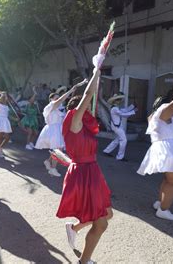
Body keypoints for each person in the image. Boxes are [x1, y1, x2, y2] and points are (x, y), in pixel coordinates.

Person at [57, 69, 113, 264]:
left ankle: (74, 229)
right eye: (85, 108)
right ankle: (84, 261)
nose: (89, 111)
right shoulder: (74, 123)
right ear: (77, 110)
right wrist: (98, 68)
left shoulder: (83, 127)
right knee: (101, 223)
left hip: (92, 171)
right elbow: (89, 95)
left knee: (107, 214)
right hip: (83, 174)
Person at [137, 54, 173, 221]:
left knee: (169, 179)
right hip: (169, 149)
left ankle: (161, 203)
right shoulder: (164, 110)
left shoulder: (157, 114)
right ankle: (164, 209)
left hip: (167, 148)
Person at [35, 85, 77, 177]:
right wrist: (70, 91)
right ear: (51, 99)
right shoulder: (49, 107)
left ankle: (48, 161)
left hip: (59, 129)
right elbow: (61, 100)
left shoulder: (60, 108)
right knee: (58, 150)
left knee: (57, 149)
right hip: (53, 130)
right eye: (56, 98)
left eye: (59, 97)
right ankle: (53, 169)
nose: (58, 99)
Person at [101, 92, 136, 161]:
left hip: (117, 126)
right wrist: (133, 111)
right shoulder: (114, 109)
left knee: (117, 140)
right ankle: (120, 157)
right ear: (116, 100)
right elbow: (123, 114)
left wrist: (132, 107)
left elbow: (124, 110)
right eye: (119, 100)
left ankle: (106, 151)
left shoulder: (116, 107)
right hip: (116, 127)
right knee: (124, 140)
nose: (121, 101)